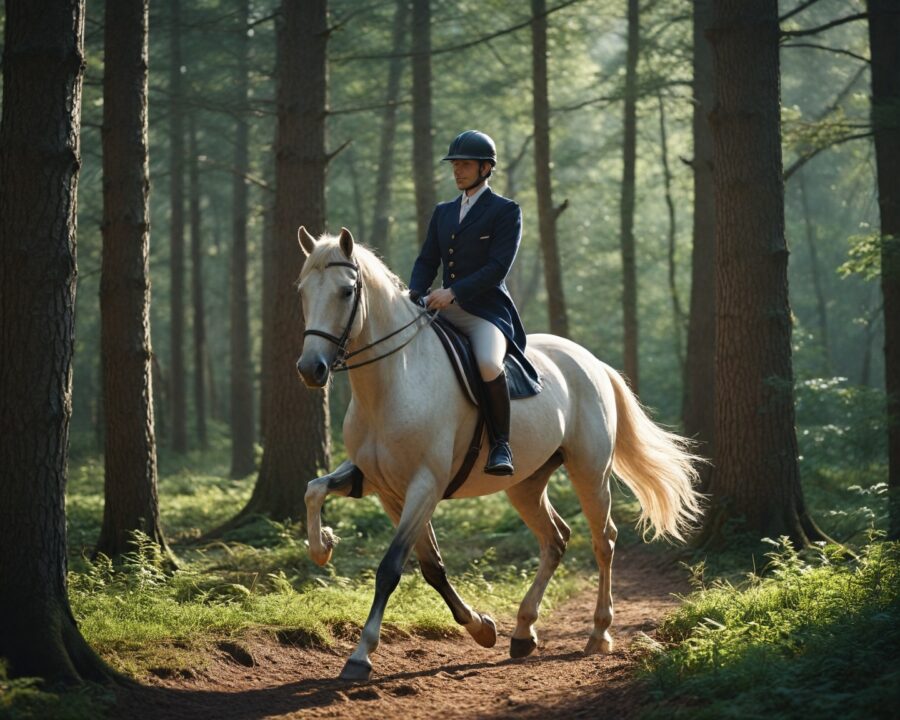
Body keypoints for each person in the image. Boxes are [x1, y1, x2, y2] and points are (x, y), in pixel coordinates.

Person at [409, 130, 538, 476]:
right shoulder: (443, 212)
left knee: (487, 364)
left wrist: (453, 292)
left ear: (485, 168)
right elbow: (426, 261)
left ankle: (501, 445)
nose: (457, 171)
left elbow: (497, 268)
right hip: (442, 309)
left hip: (485, 312)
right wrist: (414, 294)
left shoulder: (505, 211)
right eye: (455, 165)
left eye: (464, 165)